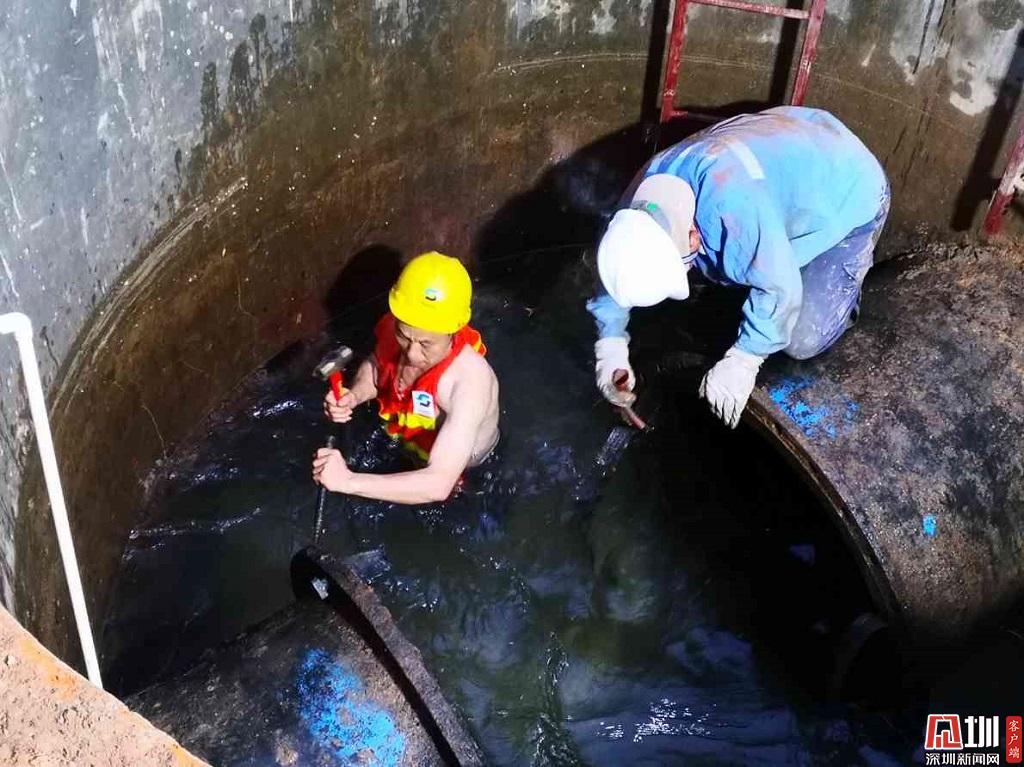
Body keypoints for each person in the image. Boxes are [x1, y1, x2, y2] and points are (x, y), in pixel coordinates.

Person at [588, 106, 890, 428]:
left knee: (802, 338)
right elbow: (617, 268)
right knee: (731, 272)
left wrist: (745, 359)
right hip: (794, 142)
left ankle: (844, 293)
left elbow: (780, 287)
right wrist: (611, 345)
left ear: (693, 237)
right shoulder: (639, 203)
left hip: (850, 186)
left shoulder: (733, 213)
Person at [312, 252, 500, 504]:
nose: (411, 354)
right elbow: (377, 367)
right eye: (404, 336)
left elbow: (438, 485)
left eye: (425, 344)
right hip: (407, 436)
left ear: (453, 330)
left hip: (459, 473)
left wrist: (347, 481)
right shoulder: (404, 323)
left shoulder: (469, 382)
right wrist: (354, 396)